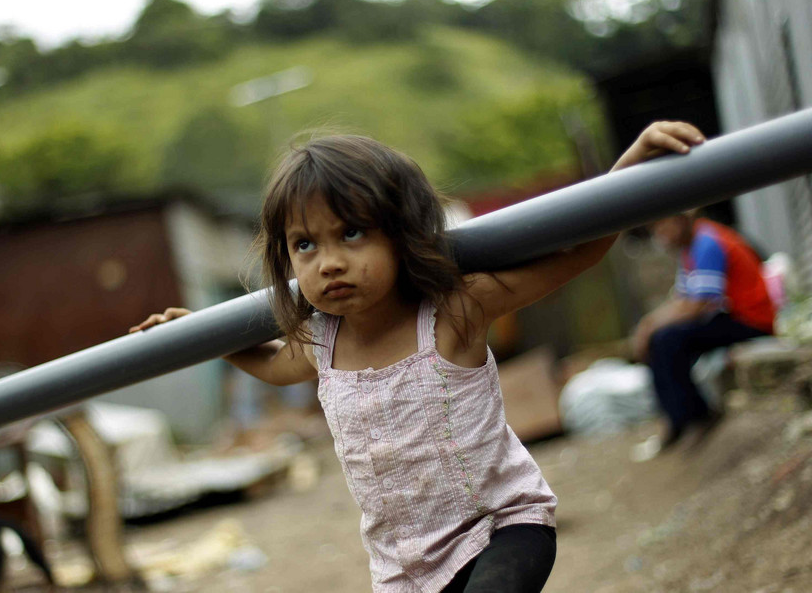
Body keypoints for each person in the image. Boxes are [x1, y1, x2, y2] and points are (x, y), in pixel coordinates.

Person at [132, 122, 704, 592]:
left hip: (500, 528)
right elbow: (275, 365)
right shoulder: (323, 345)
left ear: (400, 234)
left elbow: (576, 253)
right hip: (405, 570)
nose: (328, 262)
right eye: (304, 245)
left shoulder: (453, 312)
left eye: (351, 233)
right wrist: (201, 335)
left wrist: (631, 165)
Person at [632, 211, 776, 450]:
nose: (660, 235)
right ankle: (675, 419)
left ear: (681, 218)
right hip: (731, 317)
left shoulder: (707, 241)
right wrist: (650, 325)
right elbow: (682, 301)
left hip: (752, 321)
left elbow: (699, 304)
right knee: (661, 338)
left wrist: (649, 325)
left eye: (662, 225)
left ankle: (697, 416)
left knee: (669, 339)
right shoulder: (689, 249)